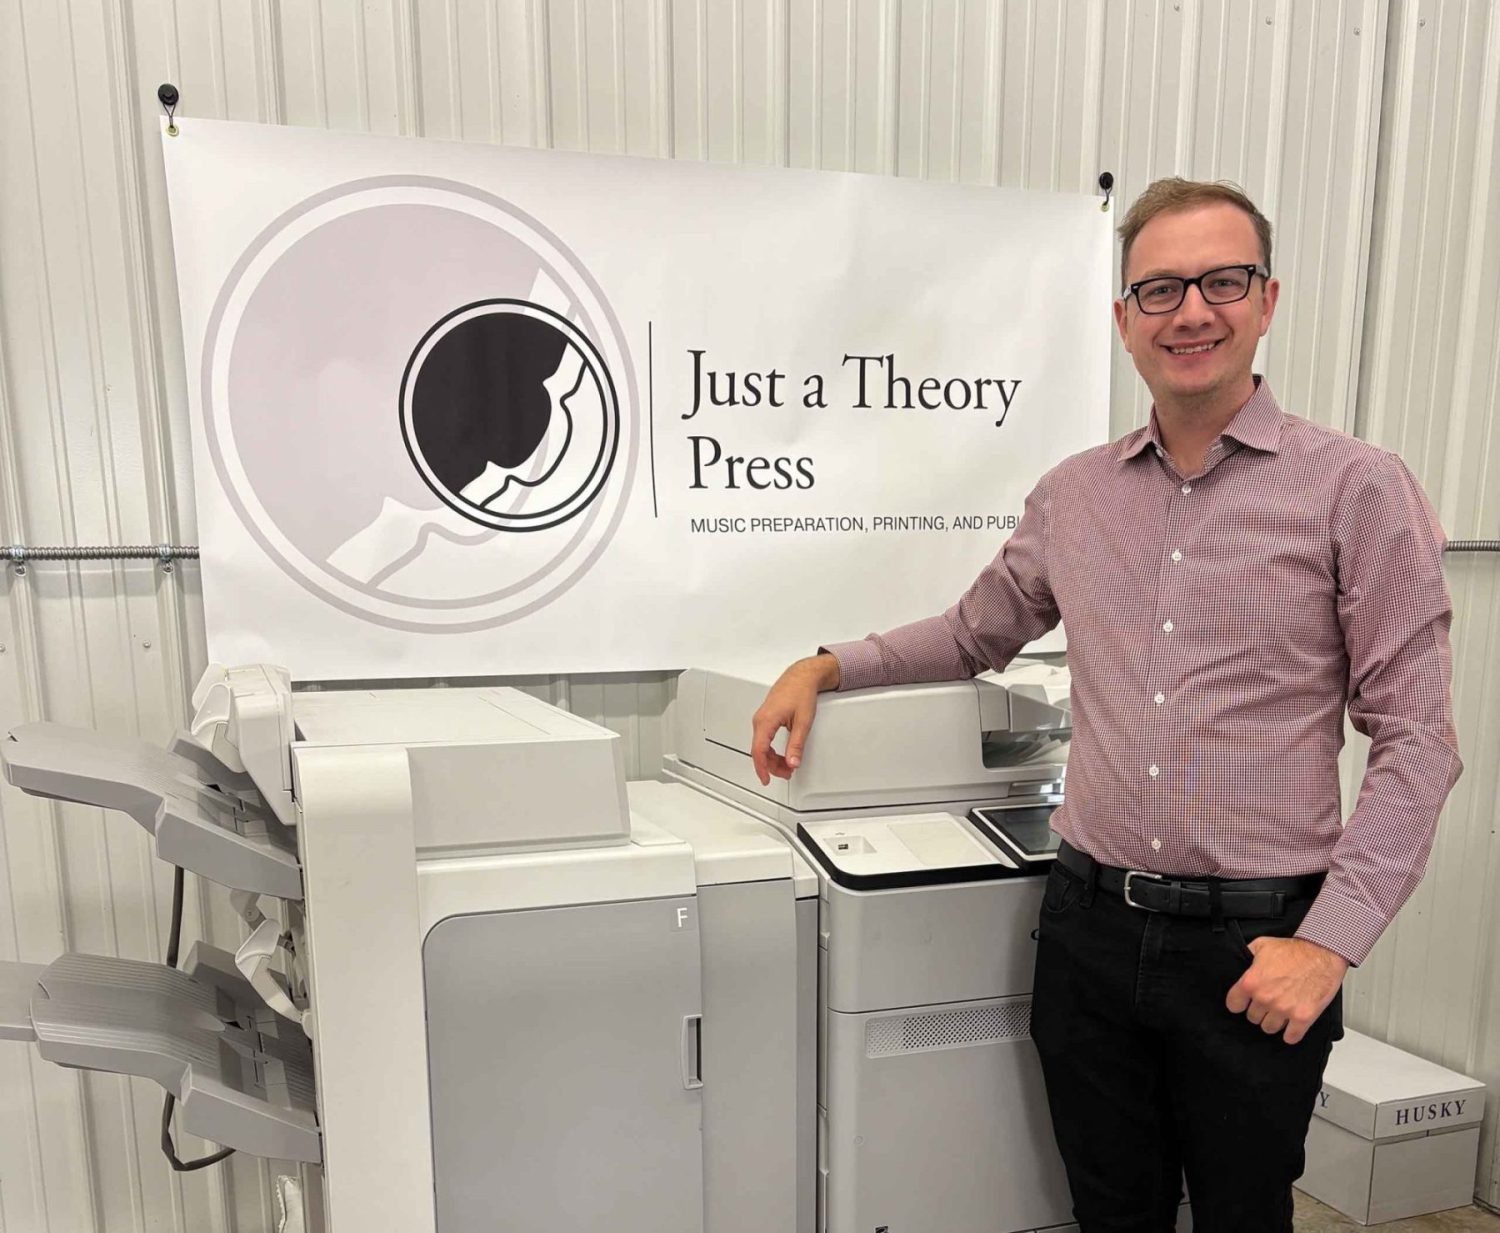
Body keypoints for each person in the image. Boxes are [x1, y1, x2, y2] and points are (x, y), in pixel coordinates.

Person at [749, 177, 1462, 1233]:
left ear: (1267, 301)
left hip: (1254, 947)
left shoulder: (1356, 489)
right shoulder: (1076, 495)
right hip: (1086, 933)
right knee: (1108, 1212)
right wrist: (826, 666)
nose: (1192, 312)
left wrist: (1332, 942)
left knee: (1241, 1216)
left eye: (1223, 280)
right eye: (1161, 289)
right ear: (1124, 320)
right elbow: (974, 633)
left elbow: (1419, 742)